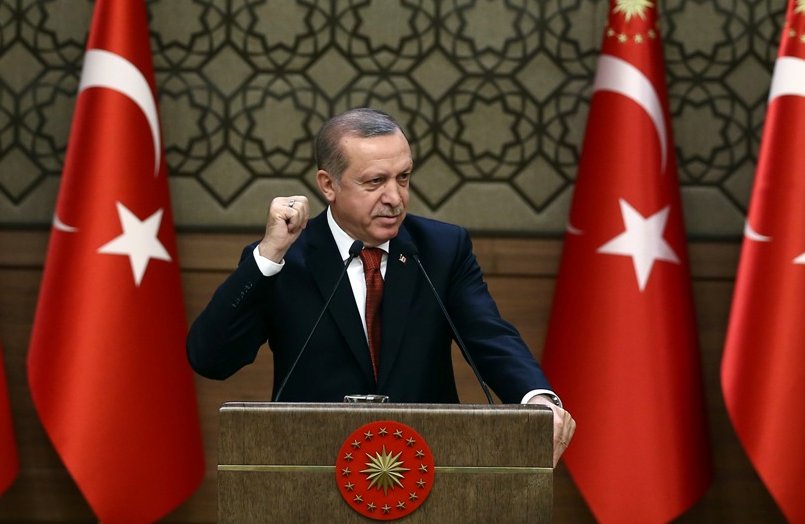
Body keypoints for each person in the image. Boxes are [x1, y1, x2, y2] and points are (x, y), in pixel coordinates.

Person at [187, 108, 575, 465]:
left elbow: (489, 336)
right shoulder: (286, 258)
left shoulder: (441, 249)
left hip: (426, 467)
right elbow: (211, 359)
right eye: (375, 182)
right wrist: (267, 256)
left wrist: (536, 398)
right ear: (328, 185)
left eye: (403, 178)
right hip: (310, 466)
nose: (395, 198)